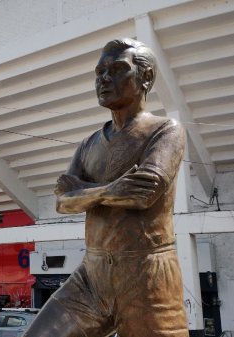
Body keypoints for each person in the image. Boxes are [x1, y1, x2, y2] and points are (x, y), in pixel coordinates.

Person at [22, 38, 188, 337]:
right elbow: (62, 202)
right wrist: (108, 191)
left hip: (146, 275)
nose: (104, 79)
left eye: (117, 69)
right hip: (92, 275)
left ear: (146, 77)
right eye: (99, 72)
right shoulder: (88, 144)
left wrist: (81, 189)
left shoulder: (166, 130)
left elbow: (142, 193)